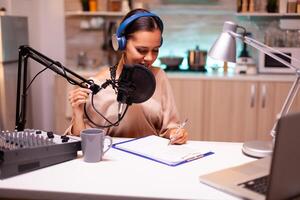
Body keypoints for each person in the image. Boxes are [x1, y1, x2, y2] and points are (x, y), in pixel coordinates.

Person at [66, 8, 188, 144]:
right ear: (121, 43)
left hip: (151, 161)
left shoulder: (159, 77)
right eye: (141, 50)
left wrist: (176, 133)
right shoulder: (97, 84)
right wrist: (78, 112)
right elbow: (83, 142)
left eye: (155, 50)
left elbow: (169, 128)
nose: (150, 58)